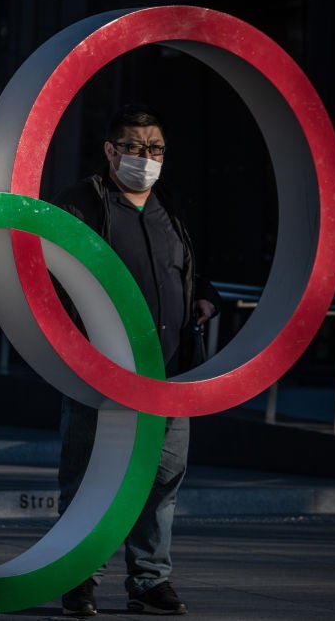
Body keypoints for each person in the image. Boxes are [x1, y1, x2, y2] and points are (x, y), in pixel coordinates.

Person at [55, 105, 220, 617]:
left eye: (154, 149)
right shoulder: (84, 203)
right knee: (90, 477)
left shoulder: (170, 204)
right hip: (103, 369)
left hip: (171, 372)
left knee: (163, 478)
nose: (145, 158)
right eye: (133, 147)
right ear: (110, 150)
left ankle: (150, 580)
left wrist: (203, 295)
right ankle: (79, 576)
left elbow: (185, 269)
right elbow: (50, 271)